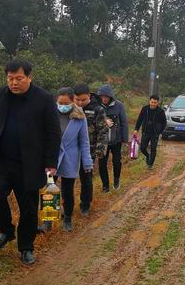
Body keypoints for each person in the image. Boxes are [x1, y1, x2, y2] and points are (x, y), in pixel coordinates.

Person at [0, 58, 61, 265]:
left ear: (29, 77)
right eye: (10, 78)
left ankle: (26, 247)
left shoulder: (44, 99)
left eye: (18, 78)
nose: (14, 83)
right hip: (1, 162)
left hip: (31, 164)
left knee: (28, 208)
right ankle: (6, 230)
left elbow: (53, 132)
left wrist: (51, 162)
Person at [55, 87, 93, 231]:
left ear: (72, 102)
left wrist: (87, 162)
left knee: (67, 190)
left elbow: (84, 141)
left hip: (70, 157)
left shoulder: (79, 117)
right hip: (52, 157)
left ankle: (68, 218)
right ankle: (48, 219)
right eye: (60, 103)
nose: (62, 106)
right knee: (48, 189)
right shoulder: (50, 114)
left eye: (66, 103)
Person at [73, 84, 107, 215]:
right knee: (67, 179)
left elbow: (102, 131)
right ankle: (66, 205)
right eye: (77, 100)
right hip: (71, 149)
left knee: (86, 178)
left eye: (83, 100)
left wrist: (100, 150)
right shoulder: (71, 107)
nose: (80, 103)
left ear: (88, 96)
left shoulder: (97, 109)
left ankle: (85, 204)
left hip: (89, 150)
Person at [97, 84, 129, 192]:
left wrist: (125, 139)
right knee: (102, 163)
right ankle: (105, 185)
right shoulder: (97, 105)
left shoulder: (119, 105)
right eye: (102, 96)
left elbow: (124, 122)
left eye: (106, 96)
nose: (104, 98)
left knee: (116, 162)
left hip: (116, 139)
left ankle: (116, 179)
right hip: (102, 140)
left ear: (110, 96)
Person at [134, 94, 167, 169]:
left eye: (155, 103)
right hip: (146, 132)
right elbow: (140, 119)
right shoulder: (145, 109)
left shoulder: (160, 111)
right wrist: (136, 129)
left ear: (157, 103)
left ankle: (150, 164)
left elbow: (164, 122)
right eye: (152, 102)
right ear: (149, 101)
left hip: (155, 133)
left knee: (153, 149)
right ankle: (147, 156)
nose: (153, 104)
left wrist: (160, 132)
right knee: (142, 148)